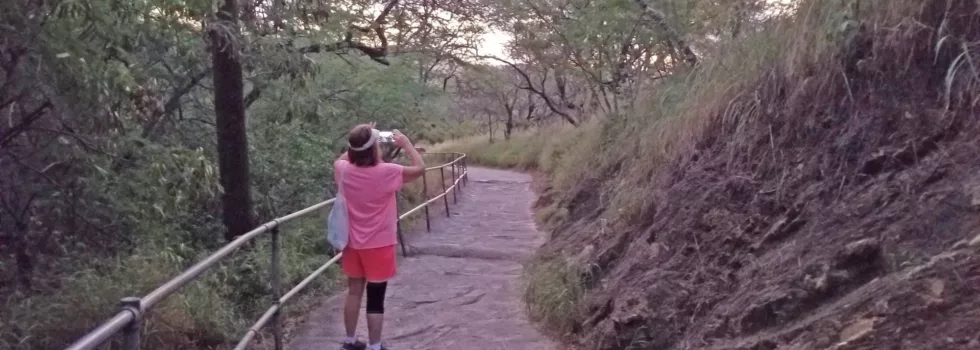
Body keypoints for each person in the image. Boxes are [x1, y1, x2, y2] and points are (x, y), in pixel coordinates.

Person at [334, 123, 425, 350]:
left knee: (354, 291)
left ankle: (350, 340)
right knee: (375, 297)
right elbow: (420, 168)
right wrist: (406, 145)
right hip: (380, 244)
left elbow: (347, 155)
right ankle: (375, 345)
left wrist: (361, 138)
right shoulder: (388, 172)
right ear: (374, 148)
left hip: (351, 243)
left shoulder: (342, 169)